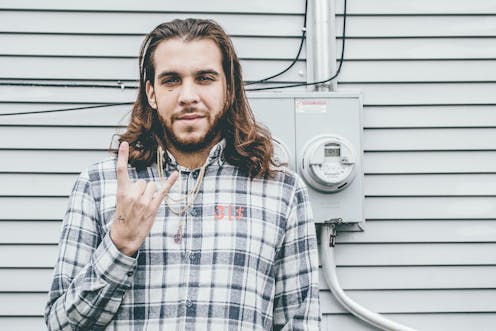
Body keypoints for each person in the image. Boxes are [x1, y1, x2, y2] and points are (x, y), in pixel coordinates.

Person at [45, 18, 321, 330]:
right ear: (151, 93)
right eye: (171, 80)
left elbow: (302, 322)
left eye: (204, 78)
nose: (187, 95)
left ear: (228, 88)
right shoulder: (98, 186)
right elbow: (62, 324)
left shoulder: (280, 190)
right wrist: (120, 245)